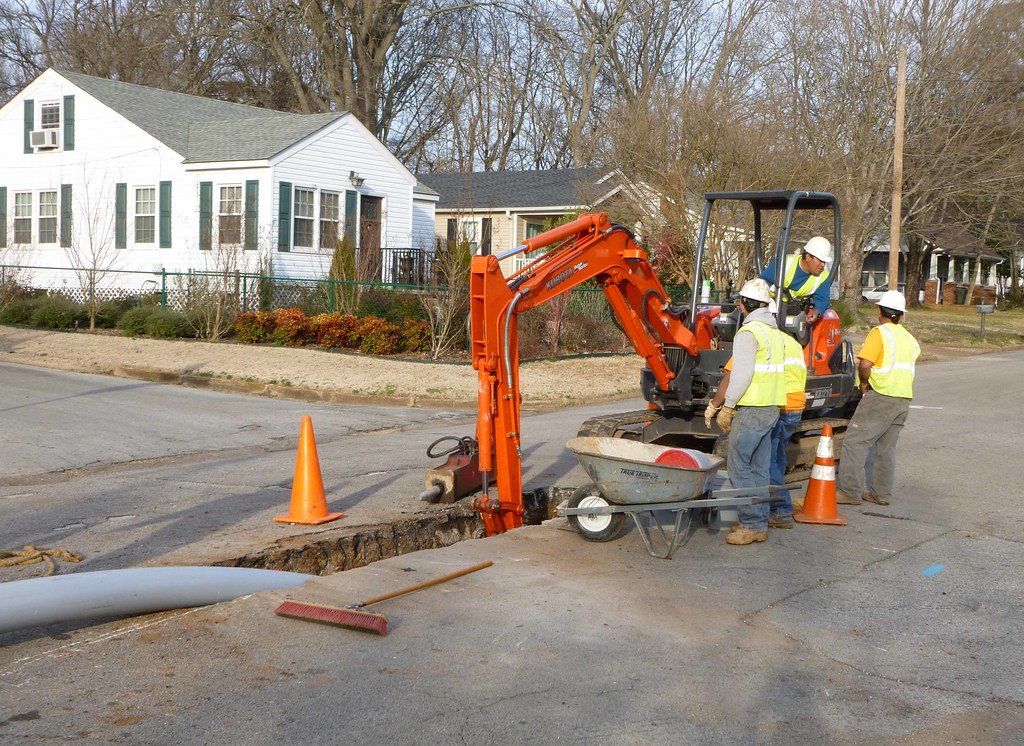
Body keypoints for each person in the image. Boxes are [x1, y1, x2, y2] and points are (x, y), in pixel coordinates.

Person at [704, 278, 787, 545]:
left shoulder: (748, 333)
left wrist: (726, 406)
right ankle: (759, 522)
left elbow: (740, 375)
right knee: (760, 469)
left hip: (751, 409)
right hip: (771, 407)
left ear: (743, 305)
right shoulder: (775, 333)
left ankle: (751, 524)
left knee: (740, 467)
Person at [836, 290, 921, 506]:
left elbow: (865, 364)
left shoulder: (879, 333)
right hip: (903, 399)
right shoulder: (910, 339)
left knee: (855, 441)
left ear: (879, 310)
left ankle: (850, 491)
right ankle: (880, 493)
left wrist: (863, 382)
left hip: (881, 396)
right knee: (886, 447)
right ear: (901, 315)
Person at [767, 311, 808, 528]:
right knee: (779, 455)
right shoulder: (792, 342)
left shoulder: (766, 339)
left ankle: (781, 511)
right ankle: (777, 502)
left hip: (779, 403)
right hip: (795, 404)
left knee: (767, 461)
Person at [759, 236, 833, 324]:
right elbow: (762, 283)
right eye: (820, 260)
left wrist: (817, 311)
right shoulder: (785, 263)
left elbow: (822, 300)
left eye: (824, 262)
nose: (823, 265)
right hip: (771, 304)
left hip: (797, 311)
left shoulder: (823, 277)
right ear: (808, 257)